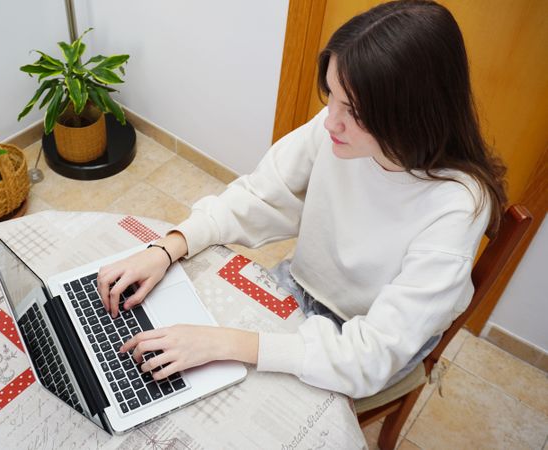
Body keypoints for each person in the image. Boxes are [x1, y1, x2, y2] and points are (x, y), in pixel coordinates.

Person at [96, 0, 507, 398]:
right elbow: (260, 195)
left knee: (233, 387)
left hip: (363, 342)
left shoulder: (457, 206)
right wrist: (168, 247)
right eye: (331, 94)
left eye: (355, 112)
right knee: (181, 360)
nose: (331, 120)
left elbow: (371, 356)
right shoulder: (335, 132)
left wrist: (226, 344)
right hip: (302, 286)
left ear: (411, 114)